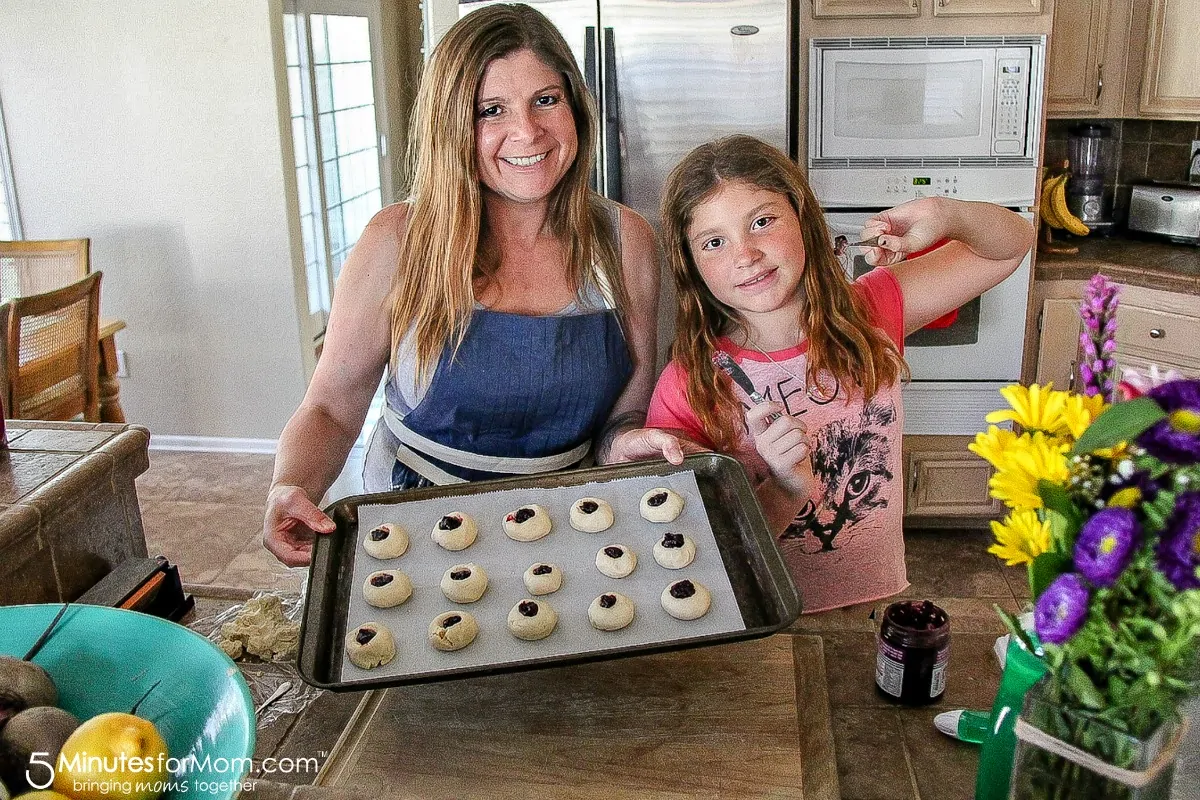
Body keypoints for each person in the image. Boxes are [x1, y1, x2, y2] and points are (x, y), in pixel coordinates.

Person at [264, 4, 683, 567]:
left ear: (575, 105)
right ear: (453, 125)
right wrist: (289, 485)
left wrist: (627, 440)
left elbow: (622, 420)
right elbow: (332, 409)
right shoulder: (399, 242)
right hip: (416, 527)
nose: (527, 132)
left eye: (545, 99)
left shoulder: (625, 242)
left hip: (573, 527)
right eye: (491, 110)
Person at [645, 135, 1034, 613]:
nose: (744, 255)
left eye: (762, 222)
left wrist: (945, 213)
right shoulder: (690, 382)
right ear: (691, 264)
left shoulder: (870, 310)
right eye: (714, 242)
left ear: (804, 220)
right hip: (760, 615)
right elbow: (692, 544)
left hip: (875, 599)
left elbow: (1011, 245)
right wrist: (785, 489)